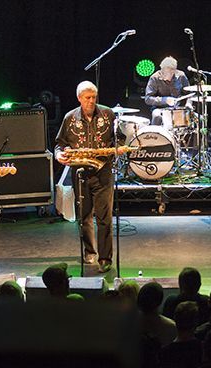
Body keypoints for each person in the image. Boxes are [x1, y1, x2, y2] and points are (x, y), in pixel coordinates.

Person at [54, 81, 125, 273]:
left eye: (94, 97)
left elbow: (120, 137)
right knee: (84, 216)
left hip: (103, 173)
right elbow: (59, 144)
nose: (91, 101)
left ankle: (105, 258)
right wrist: (59, 154)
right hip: (81, 173)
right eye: (87, 98)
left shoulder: (108, 114)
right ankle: (89, 251)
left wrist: (116, 150)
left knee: (104, 217)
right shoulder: (70, 118)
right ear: (79, 98)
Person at [144, 56, 190, 126]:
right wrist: (165, 100)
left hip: (178, 108)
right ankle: (156, 135)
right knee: (157, 116)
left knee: (199, 119)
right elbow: (148, 98)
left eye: (166, 73)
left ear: (173, 71)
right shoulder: (154, 78)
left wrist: (189, 103)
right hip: (160, 109)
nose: (162, 74)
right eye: (162, 71)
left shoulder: (181, 76)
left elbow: (190, 93)